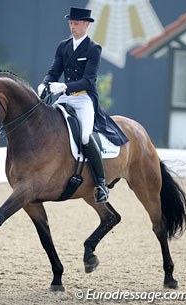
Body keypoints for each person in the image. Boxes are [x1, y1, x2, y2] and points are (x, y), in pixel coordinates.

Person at [38, 7, 128, 204]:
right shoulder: (63, 46)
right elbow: (54, 71)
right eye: (70, 23)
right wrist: (44, 83)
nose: (72, 26)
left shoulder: (93, 48)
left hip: (84, 98)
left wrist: (64, 86)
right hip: (65, 97)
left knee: (86, 136)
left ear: (86, 25)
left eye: (76, 23)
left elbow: (89, 80)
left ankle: (101, 183)